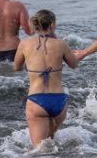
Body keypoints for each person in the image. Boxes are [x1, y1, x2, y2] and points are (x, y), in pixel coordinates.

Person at [13, 10, 78, 147]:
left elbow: (16, 67)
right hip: (59, 100)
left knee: (39, 151)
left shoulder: (25, 44)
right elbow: (74, 64)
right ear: (52, 24)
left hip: (37, 100)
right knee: (51, 143)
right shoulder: (61, 44)